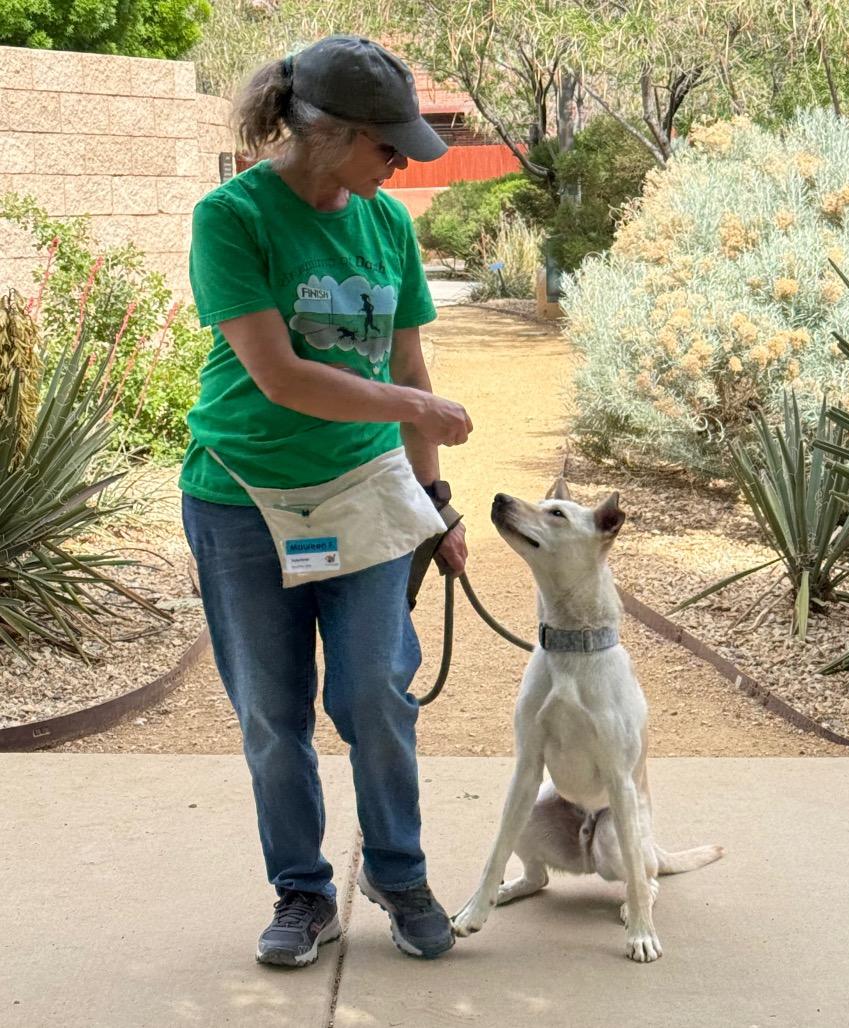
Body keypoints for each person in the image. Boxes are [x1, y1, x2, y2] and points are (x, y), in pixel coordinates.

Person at [180, 35, 473, 968]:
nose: (399, 162)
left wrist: (439, 502)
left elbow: (410, 362)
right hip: (242, 498)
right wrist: (413, 408)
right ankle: (303, 893)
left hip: (367, 493)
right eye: (387, 147)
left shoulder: (386, 225)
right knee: (274, 713)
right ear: (327, 134)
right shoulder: (231, 217)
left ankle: (398, 869)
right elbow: (278, 376)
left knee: (375, 696)